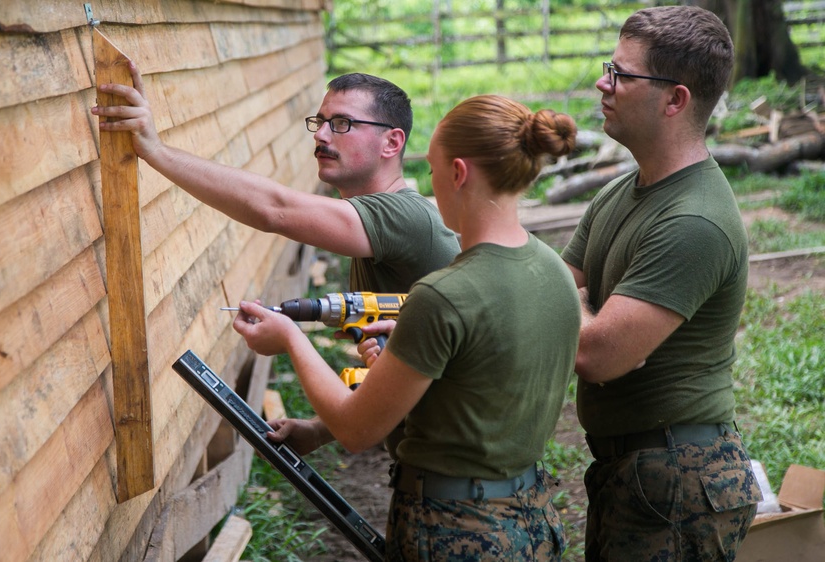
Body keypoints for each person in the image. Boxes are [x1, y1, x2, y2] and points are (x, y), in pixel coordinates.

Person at [233, 95, 580, 560]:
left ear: (458, 174)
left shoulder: (442, 295)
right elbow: (482, 388)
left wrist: (291, 339)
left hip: (452, 532)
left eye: (432, 170)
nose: (429, 186)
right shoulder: (553, 269)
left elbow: (356, 430)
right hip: (531, 519)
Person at [94, 65, 460, 455]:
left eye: (341, 123)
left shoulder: (404, 218)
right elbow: (405, 373)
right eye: (320, 122)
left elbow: (275, 209)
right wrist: (320, 430)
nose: (321, 134)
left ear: (392, 142)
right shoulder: (381, 228)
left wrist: (154, 150)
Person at [558, 6, 762, 561]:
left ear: (675, 100)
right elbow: (546, 290)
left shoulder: (694, 220)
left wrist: (576, 307)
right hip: (636, 472)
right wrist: (578, 304)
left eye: (622, 74)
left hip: (677, 483)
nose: (603, 83)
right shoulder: (620, 191)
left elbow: (598, 355)